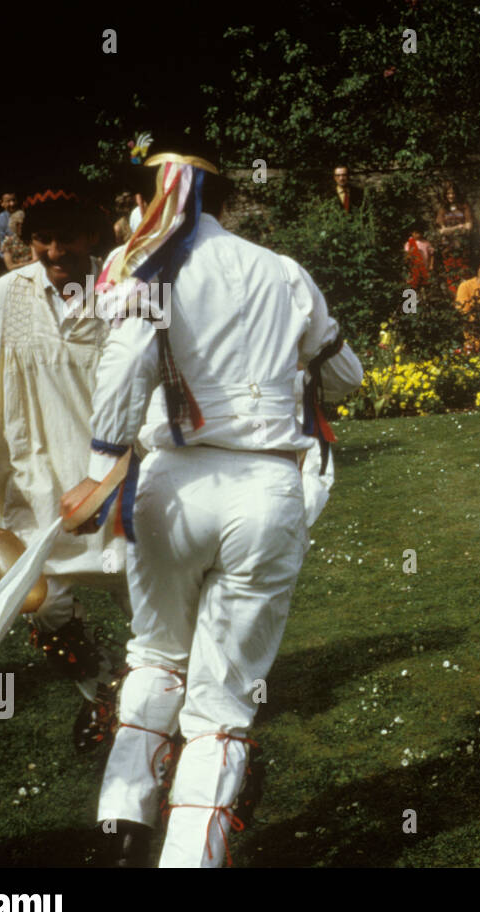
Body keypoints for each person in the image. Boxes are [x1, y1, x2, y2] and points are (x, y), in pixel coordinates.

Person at [62, 137, 364, 867]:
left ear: (156, 197)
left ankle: (122, 823)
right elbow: (347, 377)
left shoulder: (151, 269)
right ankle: (191, 854)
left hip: (171, 484)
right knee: (224, 696)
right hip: (263, 488)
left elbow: (127, 361)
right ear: (227, 199)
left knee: (156, 656)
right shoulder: (283, 271)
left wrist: (101, 466)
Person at [0, 184, 124, 753]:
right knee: (45, 608)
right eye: (41, 238)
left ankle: (158, 711)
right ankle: (103, 698)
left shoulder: (123, 297)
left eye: (64, 236)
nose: (52, 250)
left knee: (147, 602)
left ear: (90, 237)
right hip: (28, 482)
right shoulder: (2, 296)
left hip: (110, 486)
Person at [434, 181, 476, 296]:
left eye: (453, 193)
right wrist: (458, 227)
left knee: (464, 273)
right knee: (451, 274)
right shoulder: (443, 209)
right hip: (448, 248)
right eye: (448, 193)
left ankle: (465, 301)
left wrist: (450, 230)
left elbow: (469, 226)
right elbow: (442, 230)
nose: (451, 196)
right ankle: (454, 302)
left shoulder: (464, 207)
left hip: (463, 247)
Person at [0, 192, 19, 257]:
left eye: (14, 200)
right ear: (2, 203)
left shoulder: (25, 215)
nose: (12, 204)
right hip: (8, 255)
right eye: (8, 201)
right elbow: (0, 243)